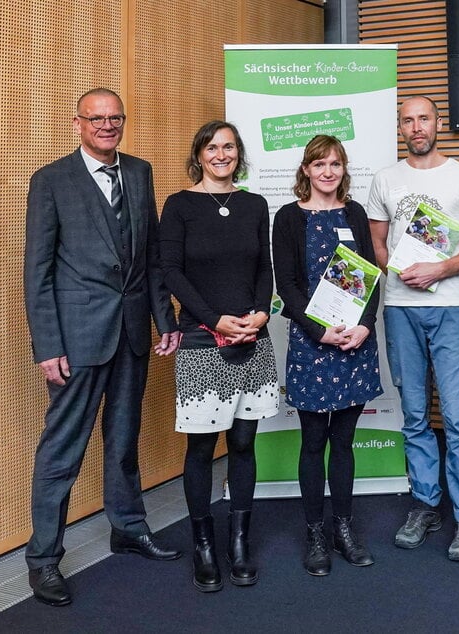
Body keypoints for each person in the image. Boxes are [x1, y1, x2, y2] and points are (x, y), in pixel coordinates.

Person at [23, 88, 182, 607]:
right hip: (77, 339)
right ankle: (44, 559)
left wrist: (165, 318)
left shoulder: (138, 172)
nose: (107, 126)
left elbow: (153, 254)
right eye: (97, 119)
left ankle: (129, 528)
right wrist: (48, 345)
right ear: (78, 124)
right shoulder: (50, 181)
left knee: (123, 439)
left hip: (133, 332)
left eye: (115, 118)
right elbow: (37, 271)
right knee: (62, 451)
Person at [158, 120, 279, 592]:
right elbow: (172, 272)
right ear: (199, 154)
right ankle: (204, 546)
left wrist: (262, 314)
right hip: (202, 340)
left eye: (229, 147)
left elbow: (263, 267)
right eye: (212, 147)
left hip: (252, 337)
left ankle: (239, 543)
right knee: (202, 448)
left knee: (245, 444)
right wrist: (213, 320)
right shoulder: (180, 205)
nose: (221, 154)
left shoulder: (253, 204)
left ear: (238, 155)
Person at [367, 95, 459, 561]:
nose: (417, 127)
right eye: (408, 121)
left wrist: (439, 270)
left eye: (424, 118)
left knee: (458, 420)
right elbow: (377, 242)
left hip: (453, 306)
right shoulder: (385, 179)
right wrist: (398, 269)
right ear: (400, 128)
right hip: (399, 308)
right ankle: (425, 503)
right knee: (415, 416)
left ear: (438, 122)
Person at [273, 134, 383, 576]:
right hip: (312, 344)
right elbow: (288, 287)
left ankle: (344, 528)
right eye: (319, 164)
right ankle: (315, 532)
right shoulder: (286, 217)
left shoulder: (355, 214)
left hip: (355, 342)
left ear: (343, 169)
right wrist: (321, 332)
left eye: (335, 163)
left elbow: (370, 275)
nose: (327, 171)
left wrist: (364, 325)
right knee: (314, 440)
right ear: (305, 170)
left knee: (343, 442)